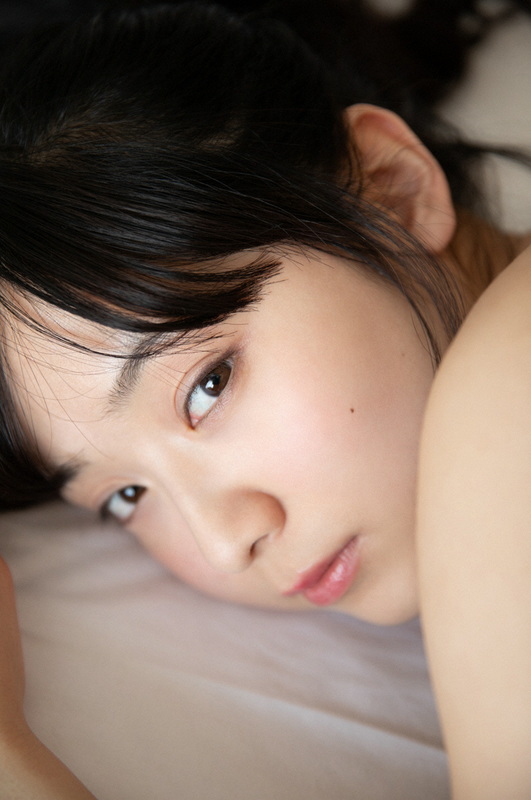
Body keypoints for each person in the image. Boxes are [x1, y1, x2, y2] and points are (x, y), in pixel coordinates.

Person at [0, 1, 529, 797]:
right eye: (125, 497)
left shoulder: (505, 374)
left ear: (392, 189)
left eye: (207, 386)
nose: (225, 542)